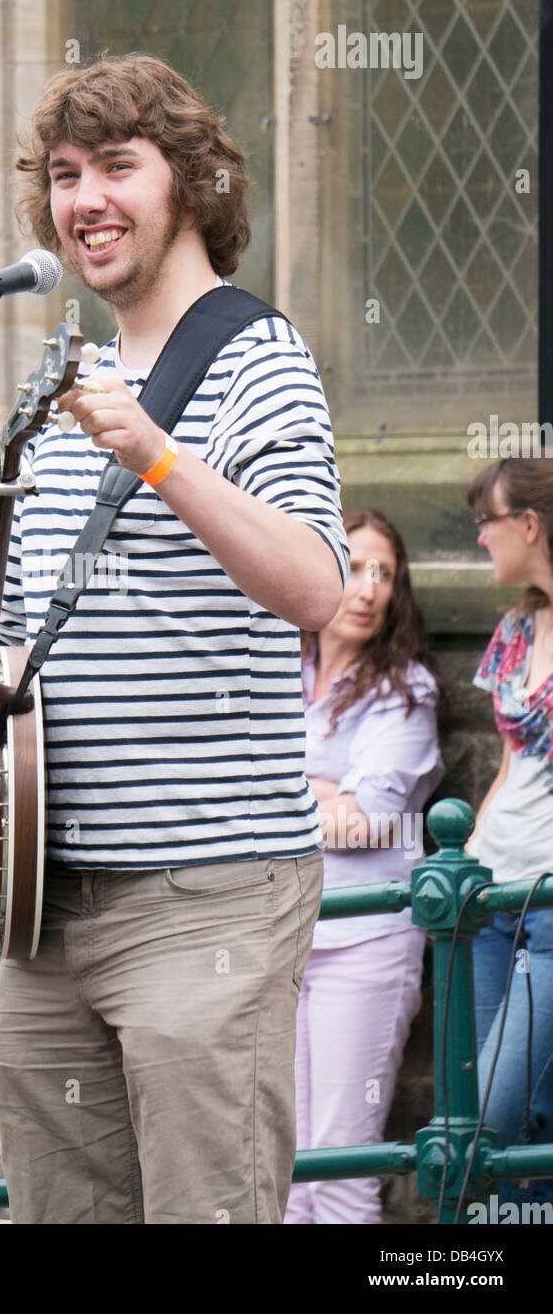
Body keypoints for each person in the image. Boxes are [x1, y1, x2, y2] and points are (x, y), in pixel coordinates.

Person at [0, 53, 348, 1224]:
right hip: (43, 910)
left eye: (116, 166)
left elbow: (313, 584)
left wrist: (157, 455)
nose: (82, 197)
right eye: (61, 174)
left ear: (190, 183)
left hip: (206, 895)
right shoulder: (60, 382)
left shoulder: (258, 357)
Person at [284, 509, 444, 1224]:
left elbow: (363, 819)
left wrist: (281, 786)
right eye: (352, 567)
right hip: (282, 940)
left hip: (365, 944)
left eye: (385, 573)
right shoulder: (278, 672)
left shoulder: (405, 690)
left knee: (340, 1163)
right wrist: (324, 784)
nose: (369, 588)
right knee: (281, 1163)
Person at [466, 456, 553, 1214]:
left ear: (528, 525)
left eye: (488, 524)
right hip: (494, 897)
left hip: (552, 909)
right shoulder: (518, 627)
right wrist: (466, 864)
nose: (482, 540)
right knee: (495, 1120)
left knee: (496, 1105)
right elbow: (507, 766)